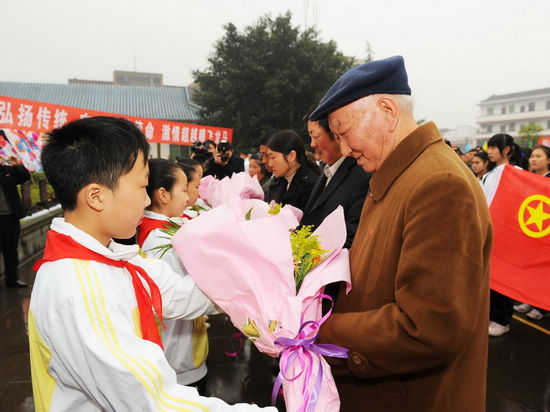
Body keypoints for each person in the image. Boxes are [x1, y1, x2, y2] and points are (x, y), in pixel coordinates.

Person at [30, 116, 275, 412]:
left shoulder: (113, 258)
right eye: (141, 187)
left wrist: (255, 274)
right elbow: (154, 402)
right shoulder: (80, 290)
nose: (147, 201)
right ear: (96, 196)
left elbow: (179, 295)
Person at [310, 56, 492, 411]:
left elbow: (425, 327)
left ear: (387, 110)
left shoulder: (439, 183)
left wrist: (322, 331)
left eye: (344, 131)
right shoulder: (400, 174)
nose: (344, 149)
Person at [139, 158, 214, 394]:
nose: (188, 197)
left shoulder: (164, 228)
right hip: (178, 356)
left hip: (180, 348)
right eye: (183, 189)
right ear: (163, 194)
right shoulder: (160, 240)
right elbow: (182, 296)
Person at [302, 112, 371, 249]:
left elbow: (352, 237)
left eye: (315, 136)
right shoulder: (327, 172)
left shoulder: (362, 175)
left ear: (335, 133)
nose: (312, 144)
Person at [482, 133, 523, 336]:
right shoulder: (490, 174)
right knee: (490, 278)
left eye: (493, 147)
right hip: (490, 232)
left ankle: (502, 319)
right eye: (488, 148)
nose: (489, 151)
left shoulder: (517, 173)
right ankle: (492, 315)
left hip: (507, 237)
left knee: (503, 280)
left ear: (506, 149)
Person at [513, 145, 550, 320]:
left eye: (539, 156)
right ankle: (530, 299)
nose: (533, 159)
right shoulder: (530, 178)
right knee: (531, 268)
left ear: (548, 160)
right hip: (531, 229)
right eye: (532, 156)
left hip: (546, 232)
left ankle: (542, 307)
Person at [265, 130, 320, 211]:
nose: (270, 164)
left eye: (273, 157)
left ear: (291, 156)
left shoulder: (311, 185)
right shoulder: (277, 181)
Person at [0, 153, 31, 288]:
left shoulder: (7, 171)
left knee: (11, 250)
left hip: (10, 218)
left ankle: (12, 280)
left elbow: (25, 177)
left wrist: (18, 165)